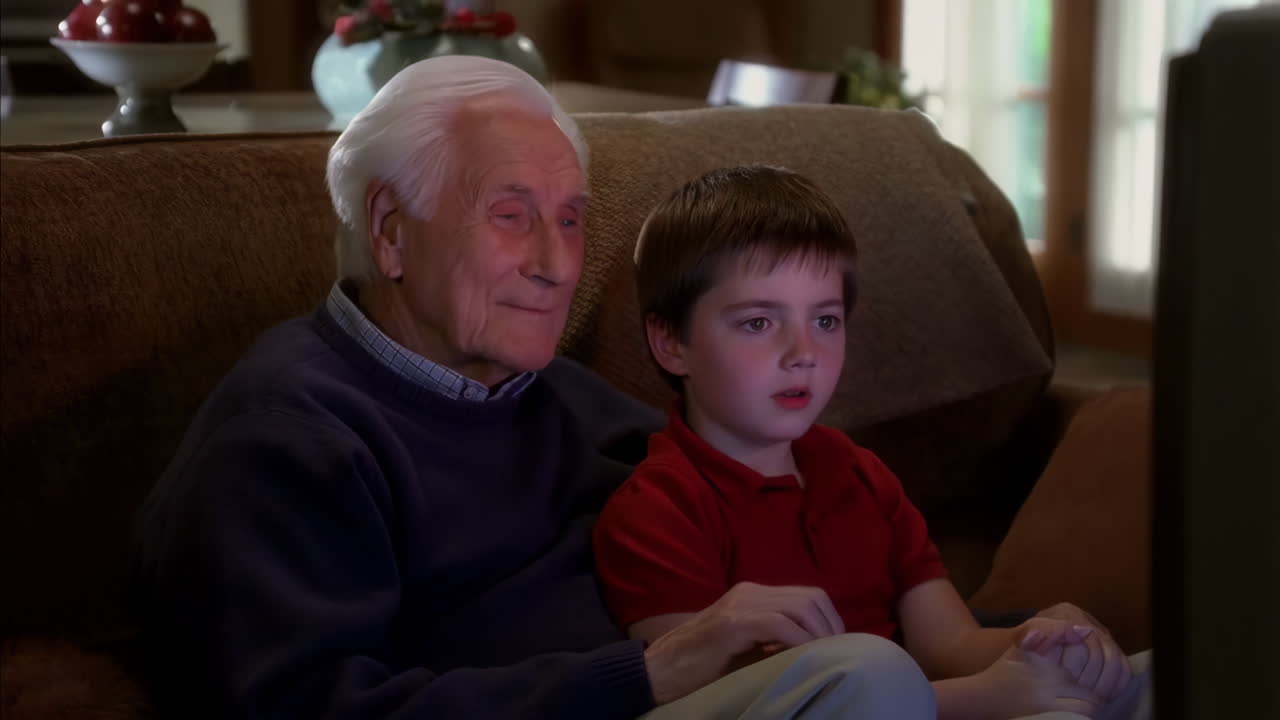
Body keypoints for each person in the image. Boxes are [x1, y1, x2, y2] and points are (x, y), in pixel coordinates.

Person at [130, 57, 938, 719]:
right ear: (388, 231)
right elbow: (304, 708)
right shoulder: (288, 435)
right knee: (866, 681)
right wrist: (649, 673)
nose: (557, 267)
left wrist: (1020, 641)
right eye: (512, 216)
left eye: (572, 219)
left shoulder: (566, 403)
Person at [592, 165, 1154, 720]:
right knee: (867, 668)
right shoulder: (656, 509)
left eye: (827, 321)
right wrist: (985, 697)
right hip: (875, 705)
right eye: (759, 322)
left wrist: (1038, 644)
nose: (803, 352)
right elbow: (709, 699)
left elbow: (950, 646)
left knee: (1156, 675)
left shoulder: (859, 474)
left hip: (933, 705)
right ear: (671, 343)